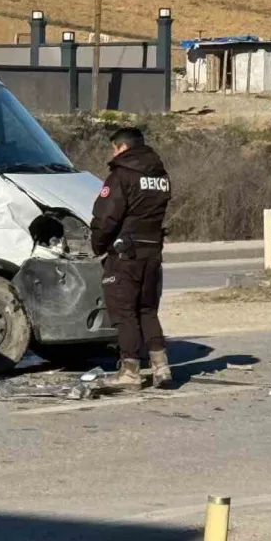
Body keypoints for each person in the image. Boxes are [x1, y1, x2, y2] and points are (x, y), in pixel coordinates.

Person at [91, 127, 172, 391]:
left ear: (123, 148)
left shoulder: (122, 175)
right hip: (152, 251)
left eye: (114, 149)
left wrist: (97, 245)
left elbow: (107, 216)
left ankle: (130, 371)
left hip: (125, 253)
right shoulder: (160, 176)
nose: (113, 154)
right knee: (147, 309)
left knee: (124, 311)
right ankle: (161, 367)